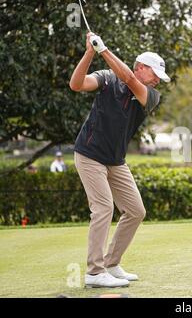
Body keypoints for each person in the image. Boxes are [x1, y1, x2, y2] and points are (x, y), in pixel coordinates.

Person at [69, 32, 170, 288]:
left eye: (159, 77)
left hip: (116, 160)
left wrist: (103, 49)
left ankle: (111, 264)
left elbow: (128, 78)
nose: (157, 80)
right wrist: (90, 53)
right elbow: (76, 84)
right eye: (155, 73)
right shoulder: (106, 78)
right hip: (90, 155)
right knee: (103, 208)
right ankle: (94, 272)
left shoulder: (150, 95)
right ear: (141, 66)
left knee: (136, 211)